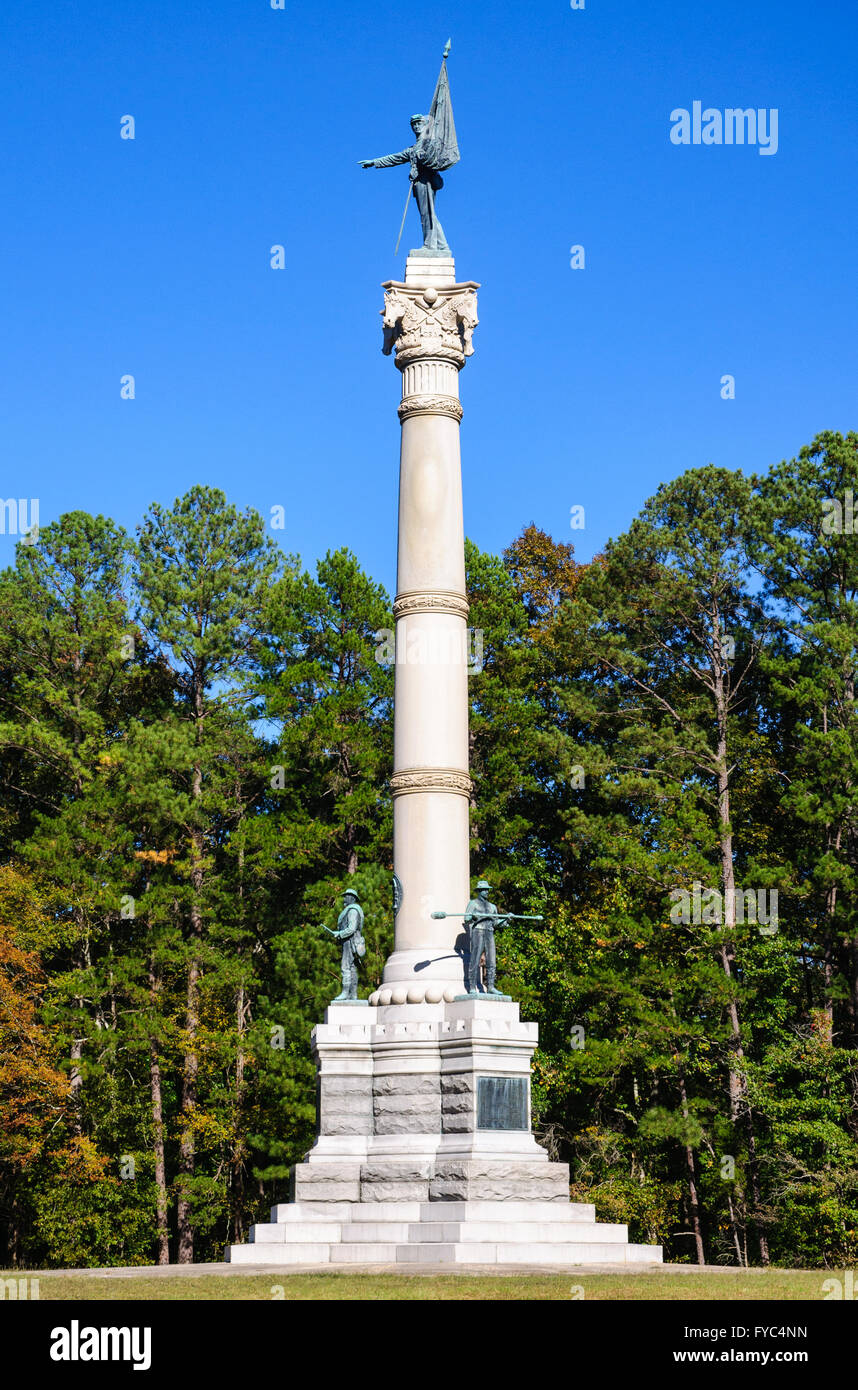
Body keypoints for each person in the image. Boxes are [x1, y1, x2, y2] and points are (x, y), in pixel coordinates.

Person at [360, 115, 451, 255]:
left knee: (428, 213)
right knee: (427, 213)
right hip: (419, 183)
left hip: (426, 180)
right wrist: (374, 162)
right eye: (413, 124)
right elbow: (395, 158)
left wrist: (424, 156)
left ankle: (430, 246)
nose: (416, 127)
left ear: (425, 125)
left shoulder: (429, 143)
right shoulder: (413, 149)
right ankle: (442, 245)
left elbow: (437, 157)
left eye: (419, 123)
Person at [463, 879, 506, 996]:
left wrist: (506, 919)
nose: (487, 892)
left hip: (489, 932)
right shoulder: (473, 903)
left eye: (488, 890)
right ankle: (472, 986)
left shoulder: (492, 907)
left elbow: (496, 923)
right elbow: (466, 919)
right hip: (478, 932)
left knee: (492, 960)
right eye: (485, 890)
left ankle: (491, 986)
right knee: (475, 959)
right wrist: (473, 916)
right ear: (479, 891)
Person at [322, 888, 365, 1002]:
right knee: (351, 968)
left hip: (350, 941)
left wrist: (340, 934)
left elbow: (351, 928)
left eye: (347, 896)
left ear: (352, 898)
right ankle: (353, 994)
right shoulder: (352, 910)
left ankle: (346, 993)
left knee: (346, 967)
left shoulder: (352, 910)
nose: (345, 898)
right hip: (350, 941)